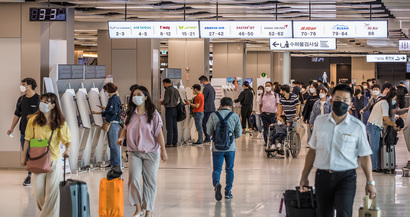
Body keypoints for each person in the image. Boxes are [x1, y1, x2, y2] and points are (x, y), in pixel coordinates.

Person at [299, 84, 376, 217]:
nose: (341, 103)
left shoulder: (357, 126)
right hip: (323, 177)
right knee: (323, 214)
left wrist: (370, 182)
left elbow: (364, 156)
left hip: (346, 178)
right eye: (338, 99)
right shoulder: (320, 122)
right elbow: (312, 151)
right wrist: (304, 176)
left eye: (345, 100)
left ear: (350, 103)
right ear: (331, 101)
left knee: (344, 214)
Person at [117, 86, 167, 217]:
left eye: (139, 94)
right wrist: (121, 138)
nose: (136, 97)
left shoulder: (153, 114)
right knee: (133, 178)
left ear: (145, 97)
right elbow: (125, 129)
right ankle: (138, 208)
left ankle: (148, 210)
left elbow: (159, 133)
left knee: (150, 182)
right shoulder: (130, 113)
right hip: (134, 152)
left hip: (151, 152)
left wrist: (163, 151)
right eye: (134, 94)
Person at [21, 93, 71, 217]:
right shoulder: (33, 120)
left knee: (52, 194)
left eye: (46, 102)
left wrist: (67, 150)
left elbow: (67, 140)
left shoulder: (60, 122)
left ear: (53, 105)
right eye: (41, 101)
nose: (42, 104)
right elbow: (27, 139)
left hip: (54, 160)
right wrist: (23, 157)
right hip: (38, 160)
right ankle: (47, 213)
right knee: (37, 193)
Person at [206, 97, 242, 201]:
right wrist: (230, 138)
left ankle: (217, 183)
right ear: (231, 105)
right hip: (230, 147)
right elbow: (239, 133)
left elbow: (208, 131)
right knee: (229, 169)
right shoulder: (234, 116)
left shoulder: (213, 115)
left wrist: (217, 136)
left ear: (220, 104)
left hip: (217, 147)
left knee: (217, 169)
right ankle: (228, 192)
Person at [7, 77, 39, 186]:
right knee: (26, 155)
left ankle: (33, 176)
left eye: (24, 84)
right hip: (24, 132)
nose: (22, 86)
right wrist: (11, 128)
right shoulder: (21, 100)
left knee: (35, 154)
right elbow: (17, 115)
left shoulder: (39, 99)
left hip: (36, 133)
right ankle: (31, 175)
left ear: (29, 85)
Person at [366, 87, 399, 173]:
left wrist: (393, 112)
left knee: (378, 147)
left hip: (375, 126)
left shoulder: (383, 102)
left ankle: (378, 166)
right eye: (395, 99)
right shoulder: (384, 103)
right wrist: (394, 125)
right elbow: (385, 118)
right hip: (373, 126)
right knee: (374, 147)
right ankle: (373, 167)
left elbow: (385, 115)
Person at [93, 83, 122, 167]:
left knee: (114, 144)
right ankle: (113, 162)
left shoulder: (114, 99)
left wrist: (99, 112)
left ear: (108, 90)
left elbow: (113, 111)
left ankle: (117, 163)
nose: (105, 91)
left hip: (113, 123)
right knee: (111, 144)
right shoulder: (113, 99)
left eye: (105, 90)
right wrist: (105, 108)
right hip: (112, 123)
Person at [159, 78, 179, 147]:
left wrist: (161, 102)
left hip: (169, 109)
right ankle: (175, 142)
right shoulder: (176, 90)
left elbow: (166, 100)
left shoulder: (168, 90)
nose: (164, 85)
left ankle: (169, 142)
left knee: (169, 126)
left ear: (166, 83)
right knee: (174, 126)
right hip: (175, 109)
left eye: (164, 84)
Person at [199, 75, 216, 143]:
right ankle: (210, 136)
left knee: (204, 123)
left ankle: (207, 137)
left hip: (206, 109)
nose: (201, 83)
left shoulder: (206, 88)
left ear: (203, 81)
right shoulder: (211, 88)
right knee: (210, 123)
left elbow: (203, 99)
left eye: (201, 82)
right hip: (212, 108)